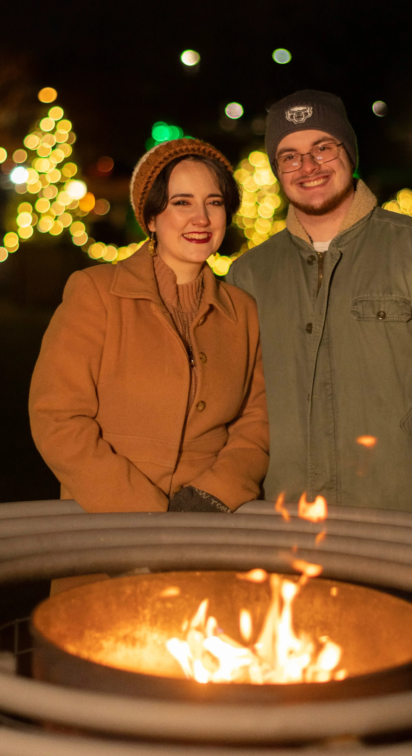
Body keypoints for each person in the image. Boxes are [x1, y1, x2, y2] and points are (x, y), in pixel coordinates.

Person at [227, 89, 412, 537]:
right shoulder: (249, 275)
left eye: (323, 147)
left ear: (349, 152)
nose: (309, 167)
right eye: (290, 156)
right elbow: (232, 403)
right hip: (284, 528)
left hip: (405, 518)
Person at [29, 137, 268, 517]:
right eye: (182, 202)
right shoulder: (96, 293)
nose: (201, 218)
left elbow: (256, 424)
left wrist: (216, 494)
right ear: (152, 216)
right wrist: (144, 517)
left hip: (210, 534)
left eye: (214, 202)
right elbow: (57, 418)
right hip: (106, 525)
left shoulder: (244, 311)